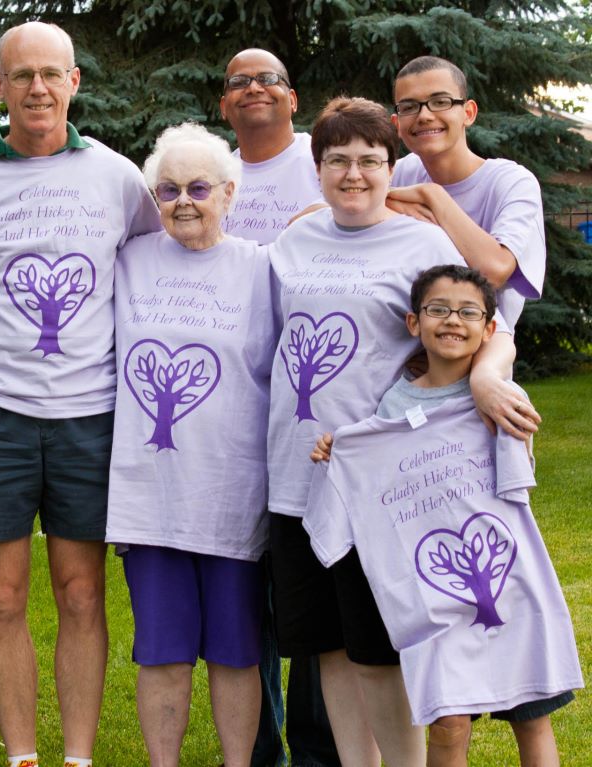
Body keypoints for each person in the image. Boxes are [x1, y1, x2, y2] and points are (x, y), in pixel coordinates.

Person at [0, 21, 160, 767]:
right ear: (0, 86)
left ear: (74, 82)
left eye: (52, 74)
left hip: (89, 414)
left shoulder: (117, 177)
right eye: (22, 76)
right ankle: (21, 755)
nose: (38, 89)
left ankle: (76, 757)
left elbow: (150, 269)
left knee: (81, 594)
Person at [265, 96, 539, 767]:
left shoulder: (423, 243)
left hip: (379, 483)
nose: (353, 174)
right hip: (296, 473)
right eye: (338, 160)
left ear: (392, 168)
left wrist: (486, 378)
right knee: (327, 646)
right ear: (317, 167)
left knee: (379, 650)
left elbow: (487, 325)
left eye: (369, 160)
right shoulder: (294, 240)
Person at [305, 265, 582, 767]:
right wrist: (341, 452)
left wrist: (489, 385)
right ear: (414, 322)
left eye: (468, 312)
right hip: (432, 601)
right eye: (438, 310)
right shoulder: (391, 407)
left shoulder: (502, 401)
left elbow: (520, 477)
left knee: (532, 718)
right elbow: (373, 471)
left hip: (514, 585)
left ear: (489, 329)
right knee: (448, 725)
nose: (452, 320)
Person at [106, 121, 272, 767]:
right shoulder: (128, 261)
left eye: (198, 188)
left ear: (228, 192)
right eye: (168, 189)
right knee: (162, 652)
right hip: (151, 495)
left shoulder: (261, 267)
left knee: (236, 652)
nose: (182, 201)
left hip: (232, 492)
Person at [218, 48, 337, 767]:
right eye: (239, 82)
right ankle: (258, 747)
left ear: (293, 99)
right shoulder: (211, 173)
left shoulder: (323, 166)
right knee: (245, 586)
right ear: (224, 104)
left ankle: (319, 747)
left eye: (269, 79)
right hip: (228, 406)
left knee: (317, 573)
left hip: (310, 401)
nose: (254, 89)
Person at [388, 55, 545, 329]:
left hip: (481, 349)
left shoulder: (511, 182)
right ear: (397, 123)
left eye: (440, 102)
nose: (424, 116)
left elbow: (494, 271)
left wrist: (434, 197)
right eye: (409, 107)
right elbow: (326, 210)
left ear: (468, 113)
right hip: (400, 343)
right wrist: (388, 201)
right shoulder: (397, 174)